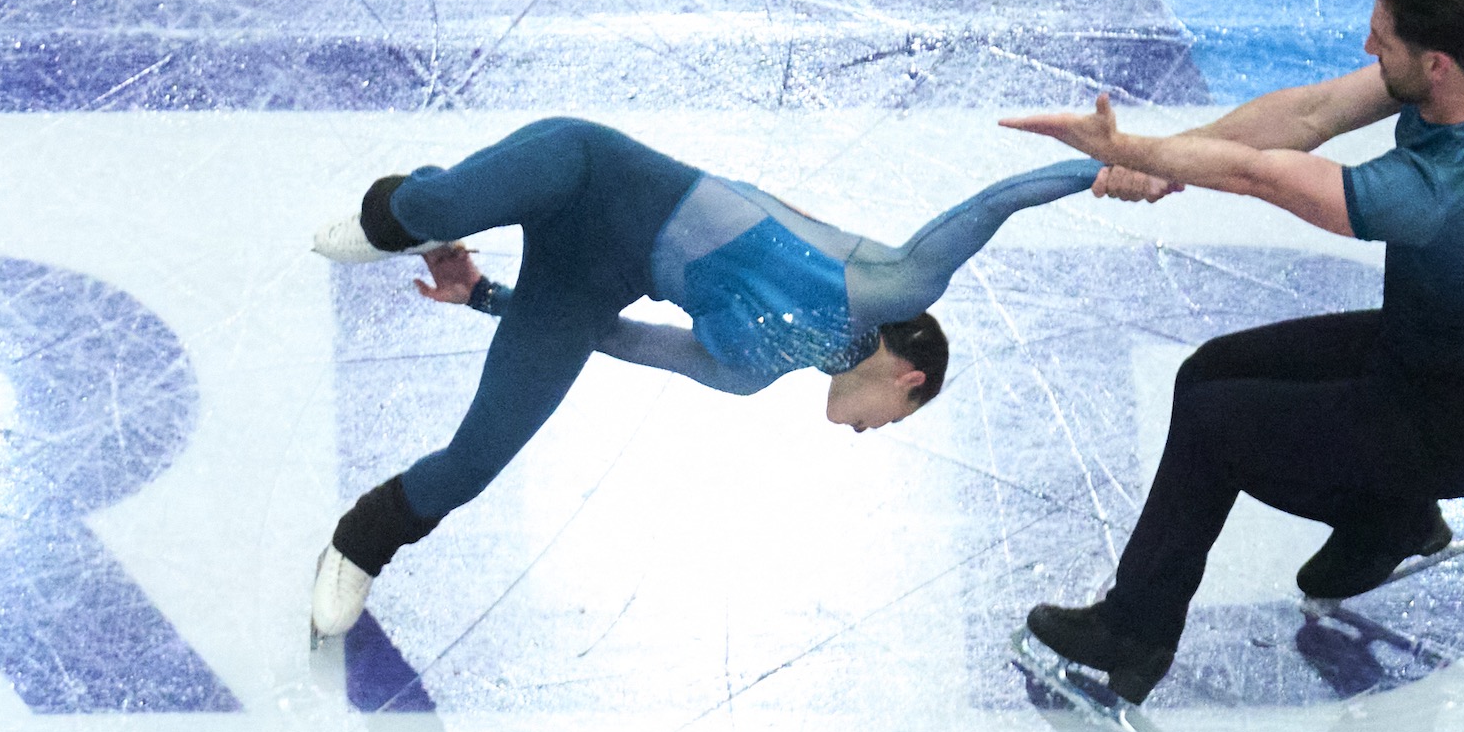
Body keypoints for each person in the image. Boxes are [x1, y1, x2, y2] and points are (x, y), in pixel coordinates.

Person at [303, 121, 1101, 633]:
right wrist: (1110, 165)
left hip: (587, 282)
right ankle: (398, 216)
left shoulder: (750, 373)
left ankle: (359, 542)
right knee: (440, 199)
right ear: (909, 380)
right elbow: (997, 205)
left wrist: (483, 295)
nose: (866, 432)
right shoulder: (889, 287)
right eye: (888, 423)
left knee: (477, 458)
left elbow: (621, 339)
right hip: (590, 169)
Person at [1006, 0, 1464, 705]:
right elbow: (1310, 115)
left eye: (1382, 41)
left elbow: (1262, 174)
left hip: (1452, 422)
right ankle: (1396, 519)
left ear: (1437, 65)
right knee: (1208, 374)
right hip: (1437, 359)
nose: (1367, 48)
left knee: (1216, 428)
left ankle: (1132, 634)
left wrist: (1128, 150)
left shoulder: (1437, 192)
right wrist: (1167, 163)